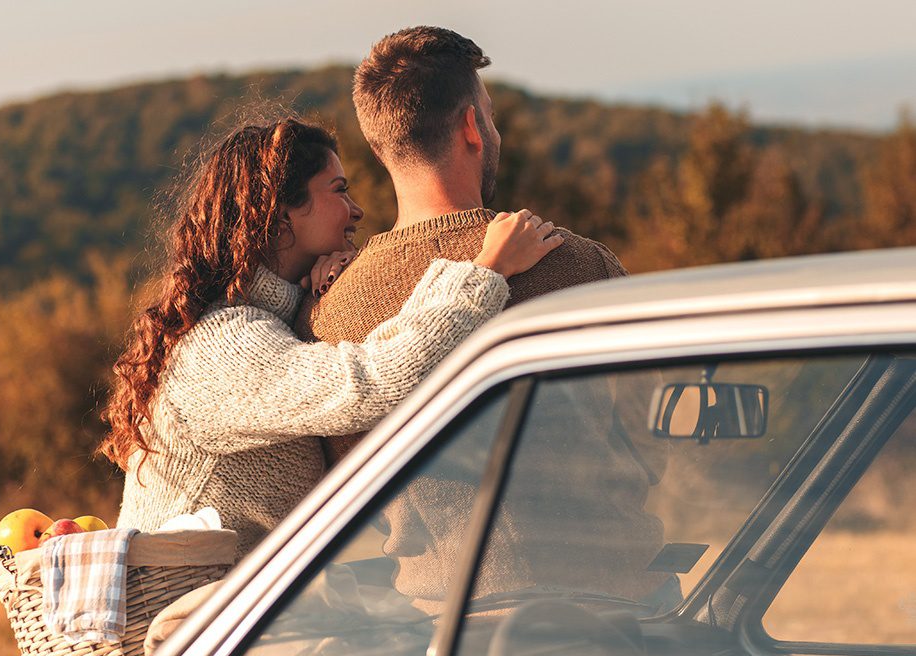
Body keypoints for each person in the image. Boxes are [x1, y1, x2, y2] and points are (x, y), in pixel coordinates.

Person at [99, 117, 562, 557]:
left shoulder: (270, 325)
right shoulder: (218, 347)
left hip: (233, 615)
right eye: (339, 191)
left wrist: (317, 298)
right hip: (184, 632)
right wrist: (485, 269)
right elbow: (377, 381)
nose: (357, 210)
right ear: (279, 214)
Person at [295, 26, 630, 463]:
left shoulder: (324, 316)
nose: (496, 133)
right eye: (489, 117)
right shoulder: (582, 267)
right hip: (595, 533)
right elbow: (647, 444)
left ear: (381, 150)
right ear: (472, 127)